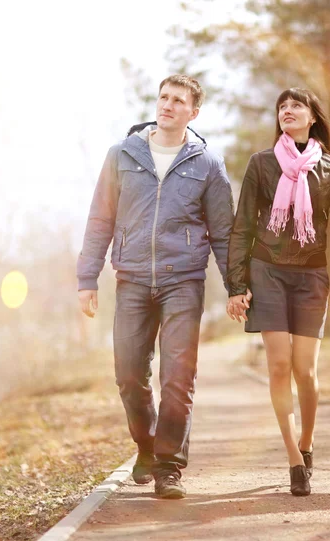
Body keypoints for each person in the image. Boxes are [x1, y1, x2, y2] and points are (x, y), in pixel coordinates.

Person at [76, 75, 235, 499]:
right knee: (128, 374)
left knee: (178, 376)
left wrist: (236, 286)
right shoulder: (122, 155)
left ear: (193, 112)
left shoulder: (207, 164)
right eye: (163, 97)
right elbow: (100, 220)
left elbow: (223, 233)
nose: (167, 104)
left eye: (177, 100)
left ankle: (169, 466)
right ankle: (146, 445)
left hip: (183, 279)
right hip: (130, 278)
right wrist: (87, 278)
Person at [226, 88, 330, 496]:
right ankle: (294, 461)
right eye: (282, 106)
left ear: (313, 117)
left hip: (312, 276)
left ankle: (308, 441)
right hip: (268, 272)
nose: (287, 111)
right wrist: (236, 285)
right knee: (279, 367)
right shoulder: (262, 164)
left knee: (306, 372)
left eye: (296, 105)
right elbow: (242, 225)